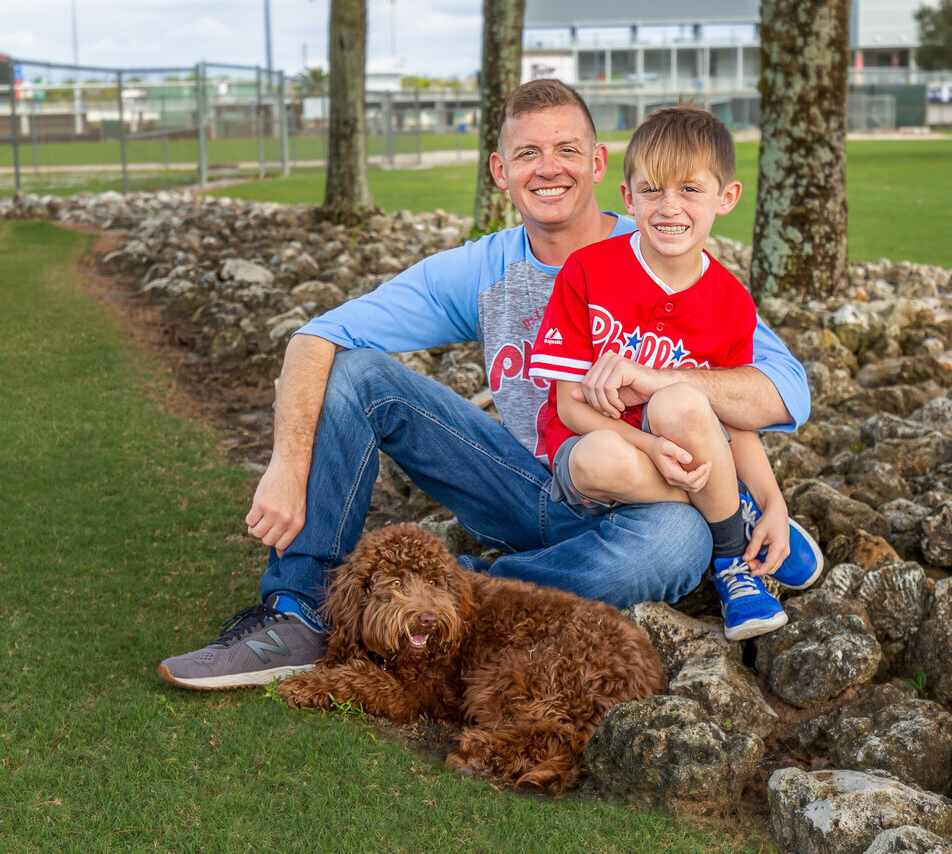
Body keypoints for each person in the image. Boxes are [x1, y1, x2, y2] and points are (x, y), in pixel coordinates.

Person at [158, 79, 810, 691]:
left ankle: (450, 595)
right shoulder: (484, 268)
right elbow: (316, 337)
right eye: (527, 153)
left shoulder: (673, 260)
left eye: (566, 150)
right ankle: (299, 613)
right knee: (359, 372)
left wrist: (656, 379)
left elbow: (783, 392)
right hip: (524, 484)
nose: (548, 168)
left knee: (682, 543)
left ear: (599, 164)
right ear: (501, 172)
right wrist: (286, 463)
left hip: (647, 500)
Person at [529, 106, 822, 641]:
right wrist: (647, 448)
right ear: (628, 197)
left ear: (725, 199)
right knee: (603, 457)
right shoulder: (588, 270)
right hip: (598, 455)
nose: (669, 207)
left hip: (685, 446)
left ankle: (732, 567)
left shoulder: (732, 301)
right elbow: (570, 406)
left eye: (690, 190)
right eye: (652, 190)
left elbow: (733, 425)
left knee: (681, 402)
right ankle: (732, 517)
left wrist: (777, 501)